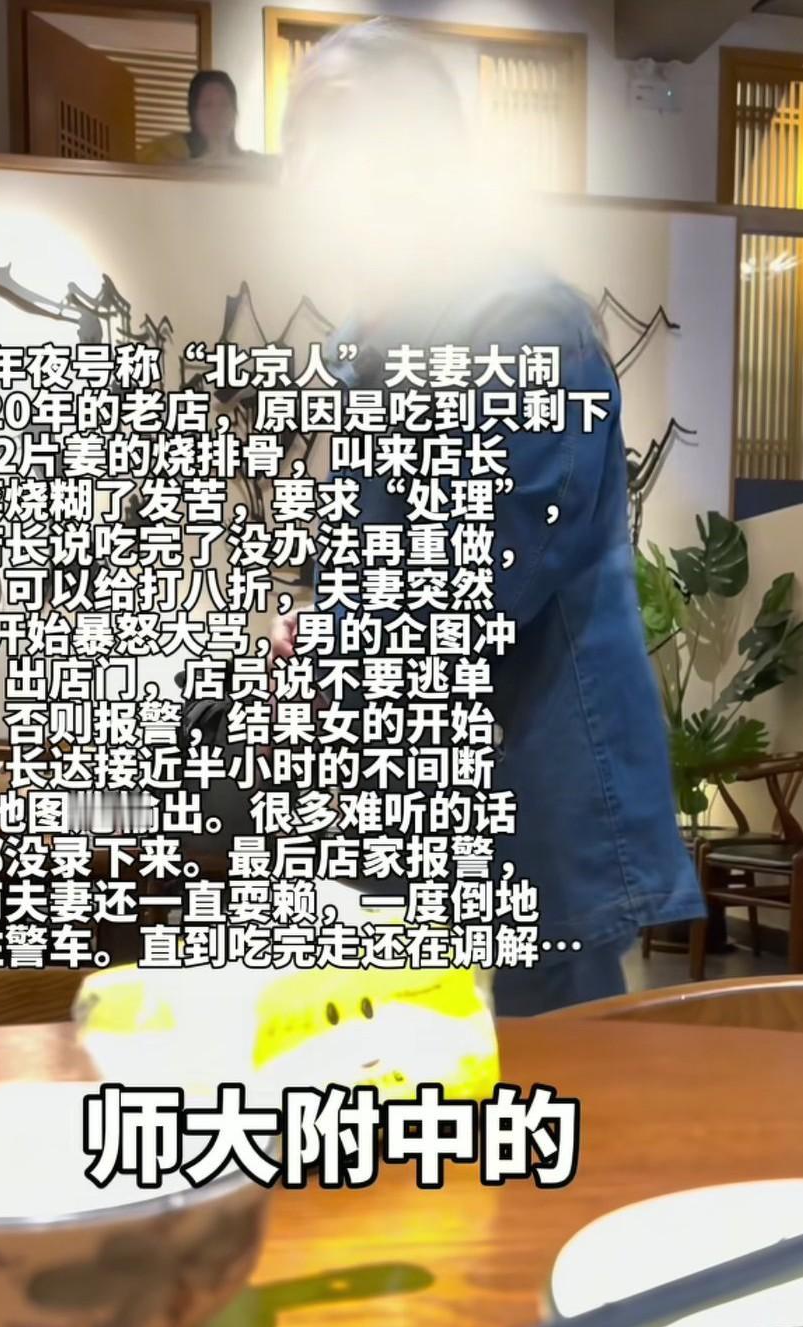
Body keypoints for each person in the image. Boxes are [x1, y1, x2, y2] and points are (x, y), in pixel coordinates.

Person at [272, 18, 704, 1015]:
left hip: (538, 822)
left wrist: (333, 642)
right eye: (296, 140)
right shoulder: (371, 348)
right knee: (421, 1094)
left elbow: (478, 579)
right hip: (428, 822)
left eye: (337, 128)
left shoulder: (523, 325)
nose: (307, 167)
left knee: (553, 1099)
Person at [138, 70, 261, 166]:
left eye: (224, 105)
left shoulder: (252, 164)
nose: (217, 113)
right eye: (207, 105)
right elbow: (142, 159)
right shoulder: (173, 149)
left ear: (235, 112)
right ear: (193, 113)